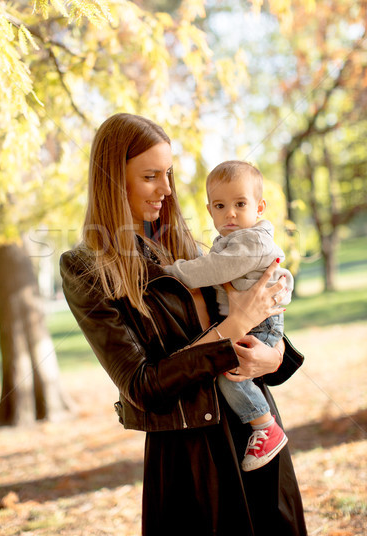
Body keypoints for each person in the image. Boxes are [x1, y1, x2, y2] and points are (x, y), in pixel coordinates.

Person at [60, 113, 307, 536]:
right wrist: (230, 332)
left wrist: (275, 355)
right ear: (112, 179)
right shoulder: (86, 268)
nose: (167, 189)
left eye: (168, 173)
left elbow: (257, 323)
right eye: (151, 175)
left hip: (257, 434)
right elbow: (141, 386)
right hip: (191, 455)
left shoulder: (190, 247)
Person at [164, 160, 294, 472]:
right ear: (209, 210)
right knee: (231, 371)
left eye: (240, 204)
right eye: (220, 206)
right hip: (246, 318)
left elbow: (212, 269)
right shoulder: (232, 240)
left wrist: (170, 273)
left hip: (260, 323)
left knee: (230, 375)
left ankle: (265, 426)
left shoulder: (252, 241)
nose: (230, 213)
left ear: (259, 207)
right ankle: (262, 424)